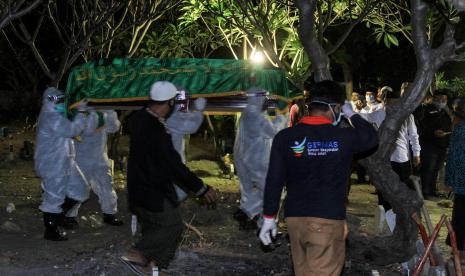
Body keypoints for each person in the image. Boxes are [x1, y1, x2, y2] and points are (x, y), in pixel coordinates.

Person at [259, 80, 378, 276]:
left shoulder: (285, 137)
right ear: (336, 107)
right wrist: (352, 114)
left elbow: (274, 180)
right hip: (327, 220)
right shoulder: (343, 137)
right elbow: (371, 137)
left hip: (295, 219)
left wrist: (269, 218)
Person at [121, 81, 217, 274]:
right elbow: (173, 164)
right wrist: (201, 188)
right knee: (172, 224)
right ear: (170, 103)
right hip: (152, 187)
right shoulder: (156, 128)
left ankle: (154, 268)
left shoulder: (140, 118)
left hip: (139, 185)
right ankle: (136, 253)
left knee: (153, 225)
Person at [35, 87, 94, 241]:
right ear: (49, 101)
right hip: (52, 163)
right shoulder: (50, 117)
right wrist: (81, 112)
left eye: (62, 100)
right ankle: (51, 230)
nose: (62, 103)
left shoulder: (55, 115)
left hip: (65, 160)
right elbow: (72, 130)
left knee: (81, 190)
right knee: (54, 197)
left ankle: (58, 217)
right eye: (58, 100)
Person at [233, 87, 288, 230]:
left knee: (251, 192)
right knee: (272, 192)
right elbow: (275, 134)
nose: (265, 100)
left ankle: (246, 213)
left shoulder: (247, 113)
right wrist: (282, 116)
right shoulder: (257, 117)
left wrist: (273, 111)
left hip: (245, 160)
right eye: (264, 97)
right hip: (257, 162)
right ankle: (263, 225)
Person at [68, 110, 124, 227]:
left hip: (100, 157)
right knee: (78, 187)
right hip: (81, 156)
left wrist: (109, 114)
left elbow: (113, 128)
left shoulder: (106, 109)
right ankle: (69, 216)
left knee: (106, 186)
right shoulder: (79, 109)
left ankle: (110, 213)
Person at [166, 89, 206, 201]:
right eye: (184, 99)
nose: (186, 102)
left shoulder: (165, 114)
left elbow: (184, 115)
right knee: (178, 192)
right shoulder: (173, 118)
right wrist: (199, 110)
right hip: (171, 164)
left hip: (165, 162)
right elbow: (191, 126)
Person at [418, 90, 452, 198]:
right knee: (428, 168)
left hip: (442, 145)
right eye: (440, 98)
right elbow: (422, 126)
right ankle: (425, 191)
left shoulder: (447, 112)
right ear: (434, 98)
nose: (442, 101)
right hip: (429, 144)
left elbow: (449, 127)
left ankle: (432, 190)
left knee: (436, 169)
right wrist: (433, 132)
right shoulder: (426, 109)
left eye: (444, 99)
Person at [445, 100, 465, 262]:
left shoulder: (460, 130)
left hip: (461, 183)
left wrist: (449, 181)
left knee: (460, 216)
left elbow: (453, 157)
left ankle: (458, 251)